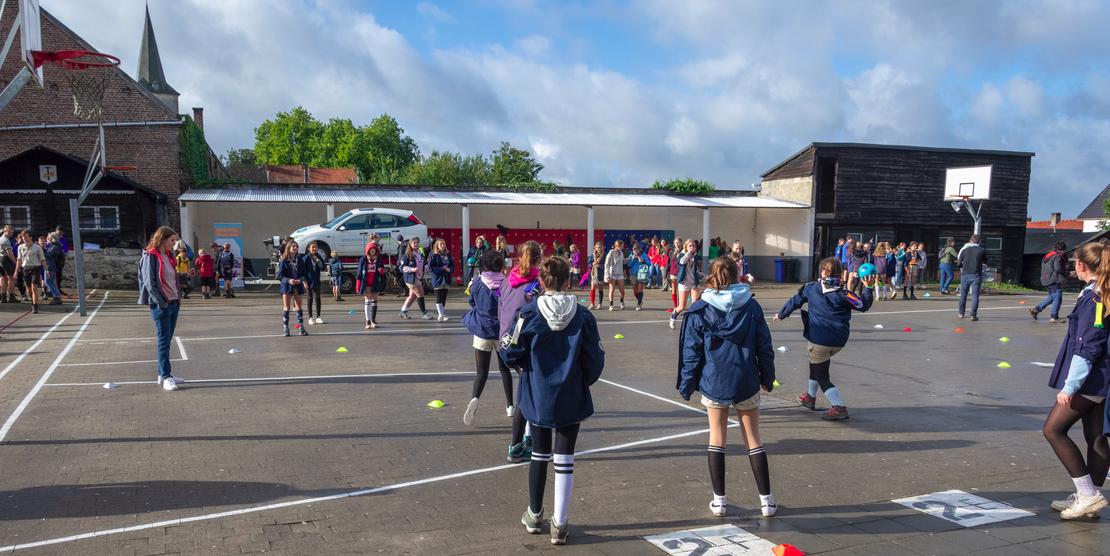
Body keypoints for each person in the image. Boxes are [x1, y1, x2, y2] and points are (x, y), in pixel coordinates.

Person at [504, 256, 604, 545]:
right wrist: (583, 380)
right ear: (568, 281)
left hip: (537, 392)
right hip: (571, 392)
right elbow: (595, 359)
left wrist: (523, 367)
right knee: (565, 458)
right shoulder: (584, 315)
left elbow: (509, 349)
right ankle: (560, 523)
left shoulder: (528, 313)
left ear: (542, 282)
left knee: (539, 453)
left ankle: (535, 515)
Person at [678, 257, 777, 518]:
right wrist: (767, 377)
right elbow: (764, 346)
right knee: (753, 439)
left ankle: (719, 501)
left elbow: (692, 352)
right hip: (746, 379)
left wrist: (687, 384)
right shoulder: (752, 306)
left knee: (717, 438)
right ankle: (767, 502)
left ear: (711, 277)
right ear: (736, 275)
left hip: (714, 380)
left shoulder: (700, 308)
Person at [1042, 240, 1110, 520]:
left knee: (1053, 430)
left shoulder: (1094, 298)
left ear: (1081, 265)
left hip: (1092, 380)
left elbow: (1088, 347)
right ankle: (1089, 498)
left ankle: (1088, 494)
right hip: (1102, 379)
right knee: (1095, 437)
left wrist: (1069, 387)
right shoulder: (1100, 293)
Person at [774, 257, 874, 421]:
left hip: (819, 340)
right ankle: (809, 398)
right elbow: (863, 306)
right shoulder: (844, 294)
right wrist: (868, 288)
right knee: (815, 365)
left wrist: (781, 314)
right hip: (839, 341)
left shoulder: (811, 288)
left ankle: (838, 407)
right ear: (841, 274)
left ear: (822, 272)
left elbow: (795, 301)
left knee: (822, 377)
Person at [498, 240, 544, 464]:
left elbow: (502, 309)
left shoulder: (508, 280)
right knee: (527, 395)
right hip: (523, 342)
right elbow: (538, 314)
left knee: (528, 391)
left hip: (506, 340)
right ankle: (517, 445)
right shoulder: (535, 283)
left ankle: (526, 439)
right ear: (538, 259)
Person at [462, 250, 516, 429]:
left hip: (482, 331)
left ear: (483, 265)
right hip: (502, 332)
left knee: (481, 372)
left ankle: (475, 398)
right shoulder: (506, 283)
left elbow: (472, 302)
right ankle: (510, 406)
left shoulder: (477, 283)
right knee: (505, 371)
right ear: (501, 265)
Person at [138, 226, 184, 391]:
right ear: (163, 239)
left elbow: (173, 278)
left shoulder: (170, 255)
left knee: (168, 340)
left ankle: (163, 374)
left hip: (173, 302)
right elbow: (150, 283)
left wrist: (178, 298)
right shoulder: (150, 256)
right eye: (172, 240)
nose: (174, 244)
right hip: (161, 305)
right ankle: (166, 376)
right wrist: (161, 302)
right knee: (163, 342)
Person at [277, 240, 309, 337]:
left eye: (296, 246)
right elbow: (280, 276)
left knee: (299, 307)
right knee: (287, 307)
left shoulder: (300, 259)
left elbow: (304, 273)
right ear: (289, 248)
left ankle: (301, 327)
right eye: (293, 246)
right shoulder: (283, 260)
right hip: (287, 286)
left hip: (297, 285)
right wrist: (289, 280)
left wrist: (301, 280)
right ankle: (286, 328)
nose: (295, 248)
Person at [670, 239, 702, 330]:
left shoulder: (695, 256)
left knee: (695, 304)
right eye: (690, 246)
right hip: (684, 283)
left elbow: (695, 270)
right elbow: (682, 262)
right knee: (682, 306)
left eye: (694, 246)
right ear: (686, 247)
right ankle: (673, 317)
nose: (692, 247)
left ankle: (694, 323)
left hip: (693, 283)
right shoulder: (681, 255)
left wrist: (703, 275)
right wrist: (688, 253)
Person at [1032, 241, 1068, 323]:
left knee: (1053, 296)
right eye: (1064, 250)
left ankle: (1036, 310)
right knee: (1057, 297)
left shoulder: (1048, 256)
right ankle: (1054, 317)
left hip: (1046, 278)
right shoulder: (1057, 257)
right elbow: (1058, 268)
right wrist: (1068, 272)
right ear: (1061, 250)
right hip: (1054, 279)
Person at [355, 242, 387, 329]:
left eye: (374, 249)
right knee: (367, 301)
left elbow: (383, 270)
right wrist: (358, 285)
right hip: (366, 283)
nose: (372, 250)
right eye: (371, 249)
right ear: (367, 250)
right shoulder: (363, 259)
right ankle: (368, 321)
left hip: (375, 282)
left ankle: (373, 320)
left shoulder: (378, 259)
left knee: (375, 301)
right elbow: (359, 273)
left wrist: (381, 270)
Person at [399, 237, 432, 320]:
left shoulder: (420, 254)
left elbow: (423, 267)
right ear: (410, 244)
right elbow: (402, 267)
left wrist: (429, 264)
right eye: (414, 242)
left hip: (419, 277)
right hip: (411, 279)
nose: (416, 244)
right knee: (420, 294)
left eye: (417, 242)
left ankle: (403, 311)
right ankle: (424, 313)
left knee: (412, 296)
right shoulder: (407, 255)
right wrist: (412, 269)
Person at [957, 235, 985, 321]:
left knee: (963, 294)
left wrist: (963, 266)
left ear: (970, 241)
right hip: (976, 274)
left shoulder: (965, 250)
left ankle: (961, 313)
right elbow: (985, 261)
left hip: (965, 274)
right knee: (975, 295)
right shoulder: (982, 250)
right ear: (979, 241)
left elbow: (959, 263)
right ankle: (973, 315)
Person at [16, 230, 45, 313]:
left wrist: (46, 269)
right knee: (29, 289)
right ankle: (32, 302)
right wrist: (16, 270)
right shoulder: (20, 247)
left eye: (26, 237)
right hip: (25, 269)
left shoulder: (37, 247)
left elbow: (42, 259)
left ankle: (35, 306)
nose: (24, 238)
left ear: (30, 237)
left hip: (35, 268)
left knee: (34, 287)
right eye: (22, 237)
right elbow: (19, 259)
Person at [302, 241, 328, 325]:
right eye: (312, 247)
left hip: (316, 281)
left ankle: (318, 317)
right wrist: (304, 281)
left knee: (318, 298)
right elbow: (302, 271)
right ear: (309, 248)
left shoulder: (319, 257)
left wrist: (317, 259)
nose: (314, 248)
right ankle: (310, 317)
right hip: (309, 281)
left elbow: (323, 267)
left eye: (315, 247)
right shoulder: (306, 258)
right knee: (310, 298)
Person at [428, 238, 453, 321]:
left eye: (444, 244)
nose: (442, 246)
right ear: (437, 246)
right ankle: (441, 315)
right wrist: (442, 269)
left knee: (444, 297)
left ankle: (442, 314)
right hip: (438, 278)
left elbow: (452, 265)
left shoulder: (448, 254)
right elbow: (431, 268)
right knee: (438, 297)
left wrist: (450, 269)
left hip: (446, 278)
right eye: (441, 244)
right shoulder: (433, 255)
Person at [604, 239, 627, 311]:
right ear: (617, 246)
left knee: (622, 291)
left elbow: (623, 261)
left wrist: (628, 259)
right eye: (622, 246)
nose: (623, 247)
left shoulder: (622, 253)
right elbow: (607, 265)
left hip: (620, 274)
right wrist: (607, 275)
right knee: (612, 290)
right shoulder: (611, 253)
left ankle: (621, 301)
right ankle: (611, 305)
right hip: (612, 274)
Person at [627, 242, 650, 311]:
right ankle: (640, 300)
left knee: (640, 289)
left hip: (642, 273)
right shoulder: (631, 255)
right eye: (634, 250)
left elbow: (649, 263)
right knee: (635, 291)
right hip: (633, 274)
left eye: (637, 249)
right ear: (633, 250)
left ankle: (638, 304)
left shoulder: (644, 254)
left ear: (640, 249)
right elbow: (628, 265)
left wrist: (643, 261)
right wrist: (633, 259)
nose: (636, 251)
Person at [43, 233, 63, 305]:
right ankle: (56, 295)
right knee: (47, 282)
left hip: (51, 267)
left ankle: (57, 296)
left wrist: (42, 249)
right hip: (47, 267)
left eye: (49, 238)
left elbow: (48, 255)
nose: (47, 239)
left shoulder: (55, 247)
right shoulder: (51, 246)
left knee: (49, 282)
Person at [587, 241, 605, 309]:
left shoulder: (605, 255)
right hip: (594, 273)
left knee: (600, 288)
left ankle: (600, 304)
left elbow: (607, 265)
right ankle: (592, 304)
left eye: (600, 247)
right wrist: (592, 264)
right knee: (592, 288)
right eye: (598, 247)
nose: (599, 249)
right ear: (595, 248)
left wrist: (599, 266)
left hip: (601, 274)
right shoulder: (592, 255)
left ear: (603, 247)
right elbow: (589, 264)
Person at [0, 225, 16, 303]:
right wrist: (15, 262)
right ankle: (11, 297)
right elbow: (10, 254)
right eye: (9, 232)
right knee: (10, 278)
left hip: (0, 259)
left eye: (12, 232)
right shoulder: (6, 240)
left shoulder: (0, 239)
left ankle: (3, 297)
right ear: (4, 231)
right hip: (6, 260)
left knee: (3, 278)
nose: (11, 234)